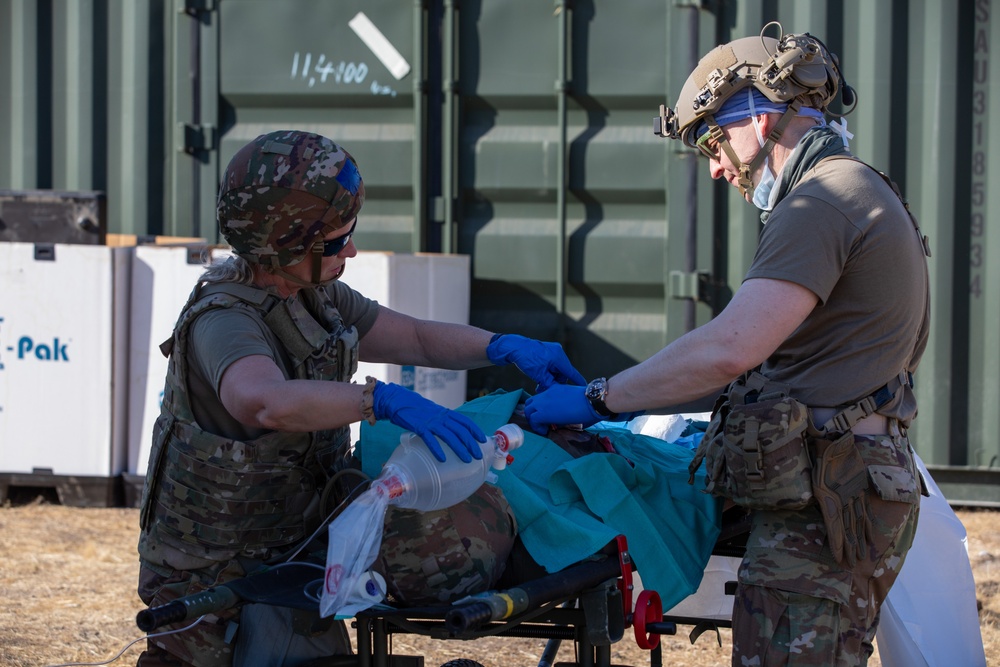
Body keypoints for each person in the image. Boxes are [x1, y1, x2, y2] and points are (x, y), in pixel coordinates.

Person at [525, 25, 931, 667]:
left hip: (826, 499)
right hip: (843, 484)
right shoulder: (855, 189)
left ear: (760, 119)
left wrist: (598, 398)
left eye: (715, 141)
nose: (717, 167)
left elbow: (728, 349)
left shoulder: (823, 201)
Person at [135, 129, 585, 667]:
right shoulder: (224, 321)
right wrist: (377, 400)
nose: (350, 250)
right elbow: (262, 400)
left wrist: (501, 346)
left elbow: (414, 337)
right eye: (333, 243)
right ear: (283, 245)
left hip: (293, 556)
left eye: (349, 234)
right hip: (214, 582)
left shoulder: (312, 296)